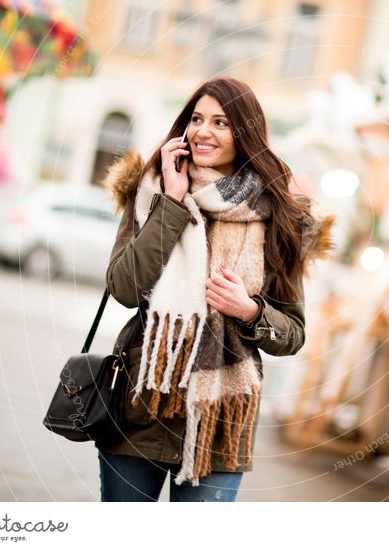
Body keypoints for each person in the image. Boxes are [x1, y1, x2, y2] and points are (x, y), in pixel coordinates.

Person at [97, 77, 334, 502]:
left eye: (221, 122)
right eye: (197, 119)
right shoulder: (150, 191)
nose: (204, 131)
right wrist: (172, 201)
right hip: (141, 404)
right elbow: (125, 288)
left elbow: (293, 334)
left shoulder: (279, 217)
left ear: (245, 132)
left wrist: (249, 311)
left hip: (221, 425)